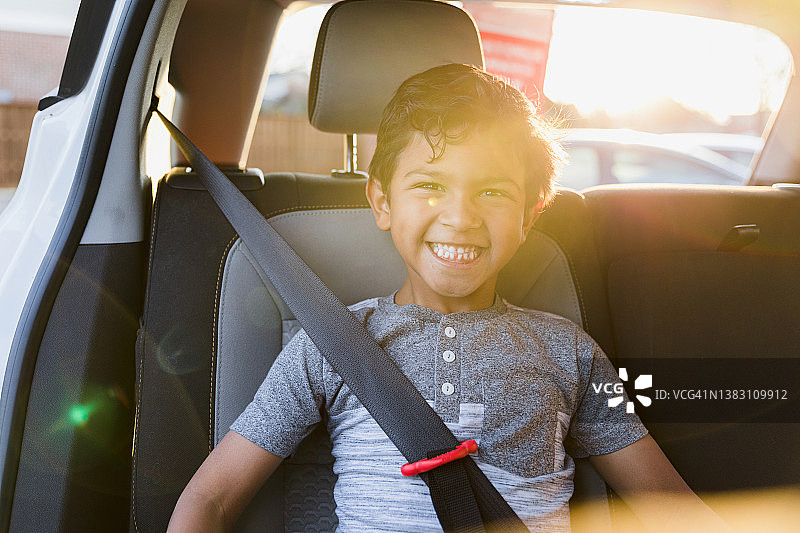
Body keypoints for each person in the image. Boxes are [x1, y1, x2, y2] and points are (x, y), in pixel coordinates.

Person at [168, 64, 727, 532]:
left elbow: (672, 508)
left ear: (530, 216)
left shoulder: (570, 352)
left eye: (492, 191)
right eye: (430, 185)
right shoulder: (330, 346)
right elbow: (210, 500)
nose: (460, 218)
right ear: (382, 202)